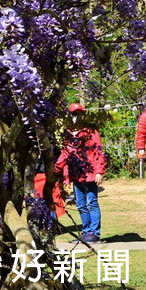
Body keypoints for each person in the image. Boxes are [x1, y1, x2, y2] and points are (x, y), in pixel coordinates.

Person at [56, 103, 106, 243]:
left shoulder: (91, 131)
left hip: (90, 174)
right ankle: (86, 233)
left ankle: (95, 234)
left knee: (92, 203)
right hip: (76, 174)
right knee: (81, 205)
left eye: (79, 113)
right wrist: (57, 169)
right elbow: (65, 154)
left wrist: (99, 172)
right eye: (73, 113)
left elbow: (99, 151)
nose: (76, 117)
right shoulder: (67, 133)